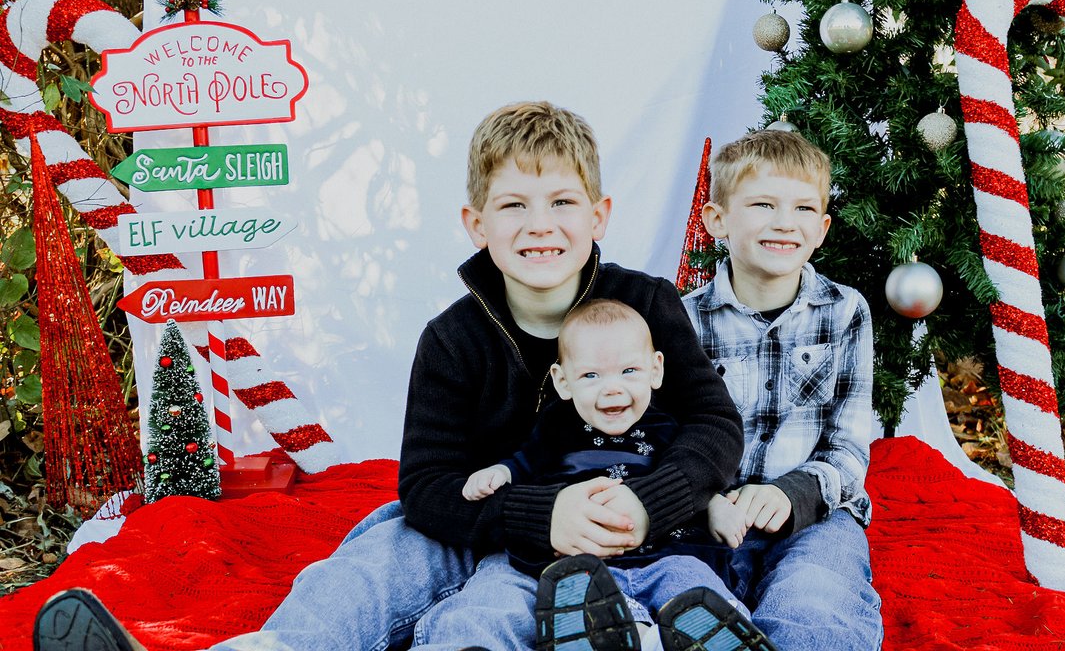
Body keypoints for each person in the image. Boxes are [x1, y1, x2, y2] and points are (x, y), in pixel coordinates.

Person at [33, 101, 744, 651]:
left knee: (485, 619)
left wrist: (652, 501)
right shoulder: (452, 338)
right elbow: (428, 485)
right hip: (484, 522)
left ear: (599, 216)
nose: (541, 225)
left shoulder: (645, 303)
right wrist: (536, 513)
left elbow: (714, 426)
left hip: (631, 524)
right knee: (378, 555)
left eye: (562, 203)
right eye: (514, 205)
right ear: (476, 223)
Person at [446, 298, 772, 651]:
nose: (612, 388)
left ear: (655, 370)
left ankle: (720, 636)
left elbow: (694, 481)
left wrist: (716, 504)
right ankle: (600, 633)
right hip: (582, 565)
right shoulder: (556, 428)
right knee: (572, 592)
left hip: (667, 554)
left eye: (628, 371)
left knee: (694, 586)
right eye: (590, 375)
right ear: (563, 381)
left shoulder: (669, 428)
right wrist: (499, 472)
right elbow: (526, 464)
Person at [681, 128, 884, 650]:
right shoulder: (682, 319)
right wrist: (705, 503)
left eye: (802, 209)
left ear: (822, 228)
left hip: (816, 512)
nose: (783, 223)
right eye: (763, 204)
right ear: (717, 220)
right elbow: (666, 435)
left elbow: (848, 443)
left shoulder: (844, 311)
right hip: (707, 515)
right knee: (685, 602)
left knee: (815, 601)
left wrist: (791, 493)